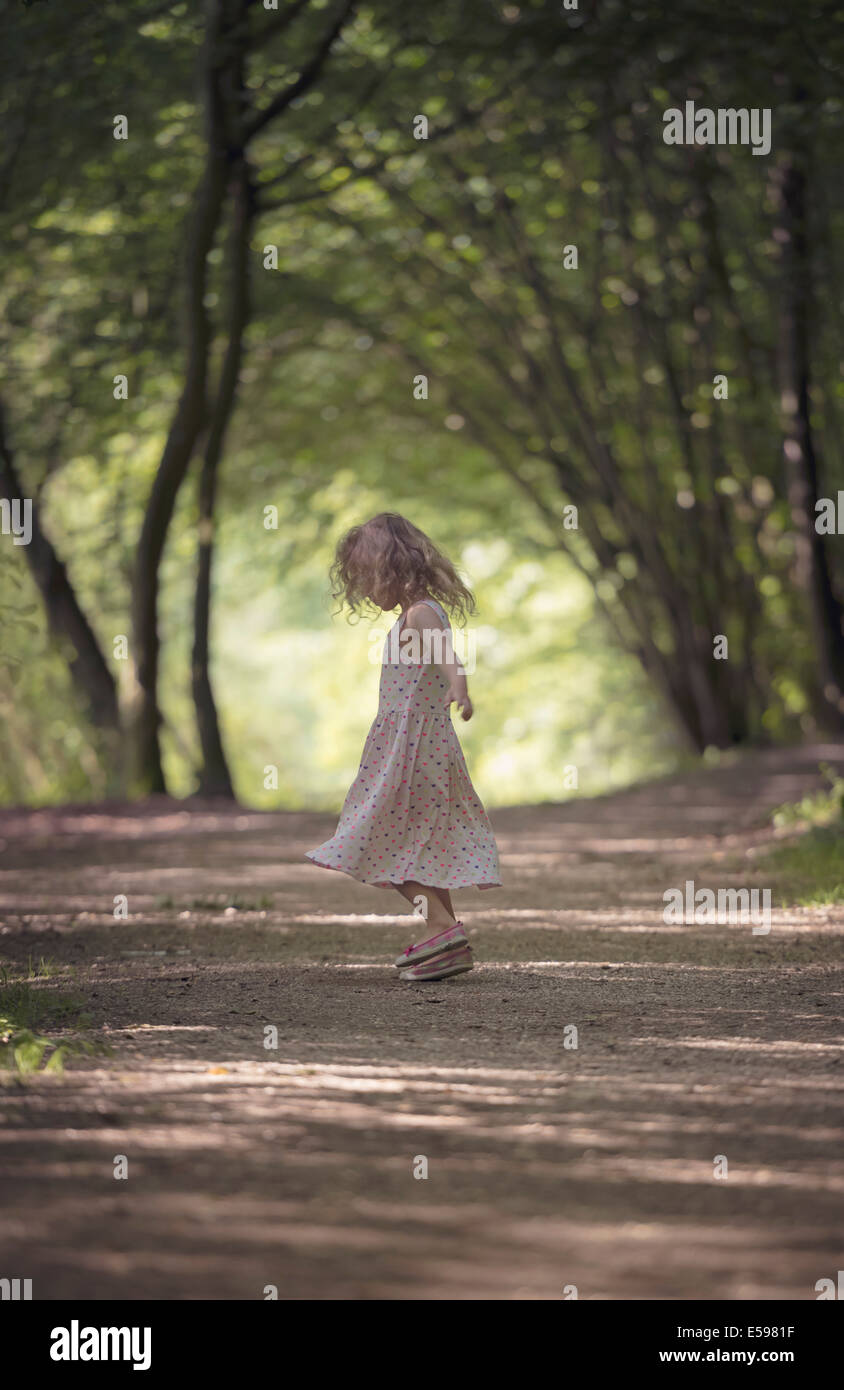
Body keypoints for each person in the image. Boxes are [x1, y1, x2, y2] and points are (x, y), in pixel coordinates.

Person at [306, 513, 501, 981]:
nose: (365, 590)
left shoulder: (421, 613)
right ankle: (446, 941)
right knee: (417, 844)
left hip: (414, 747)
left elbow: (449, 657)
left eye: (366, 578)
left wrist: (460, 690)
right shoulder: (411, 615)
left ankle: (440, 925)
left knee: (377, 838)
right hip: (409, 743)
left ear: (390, 569)